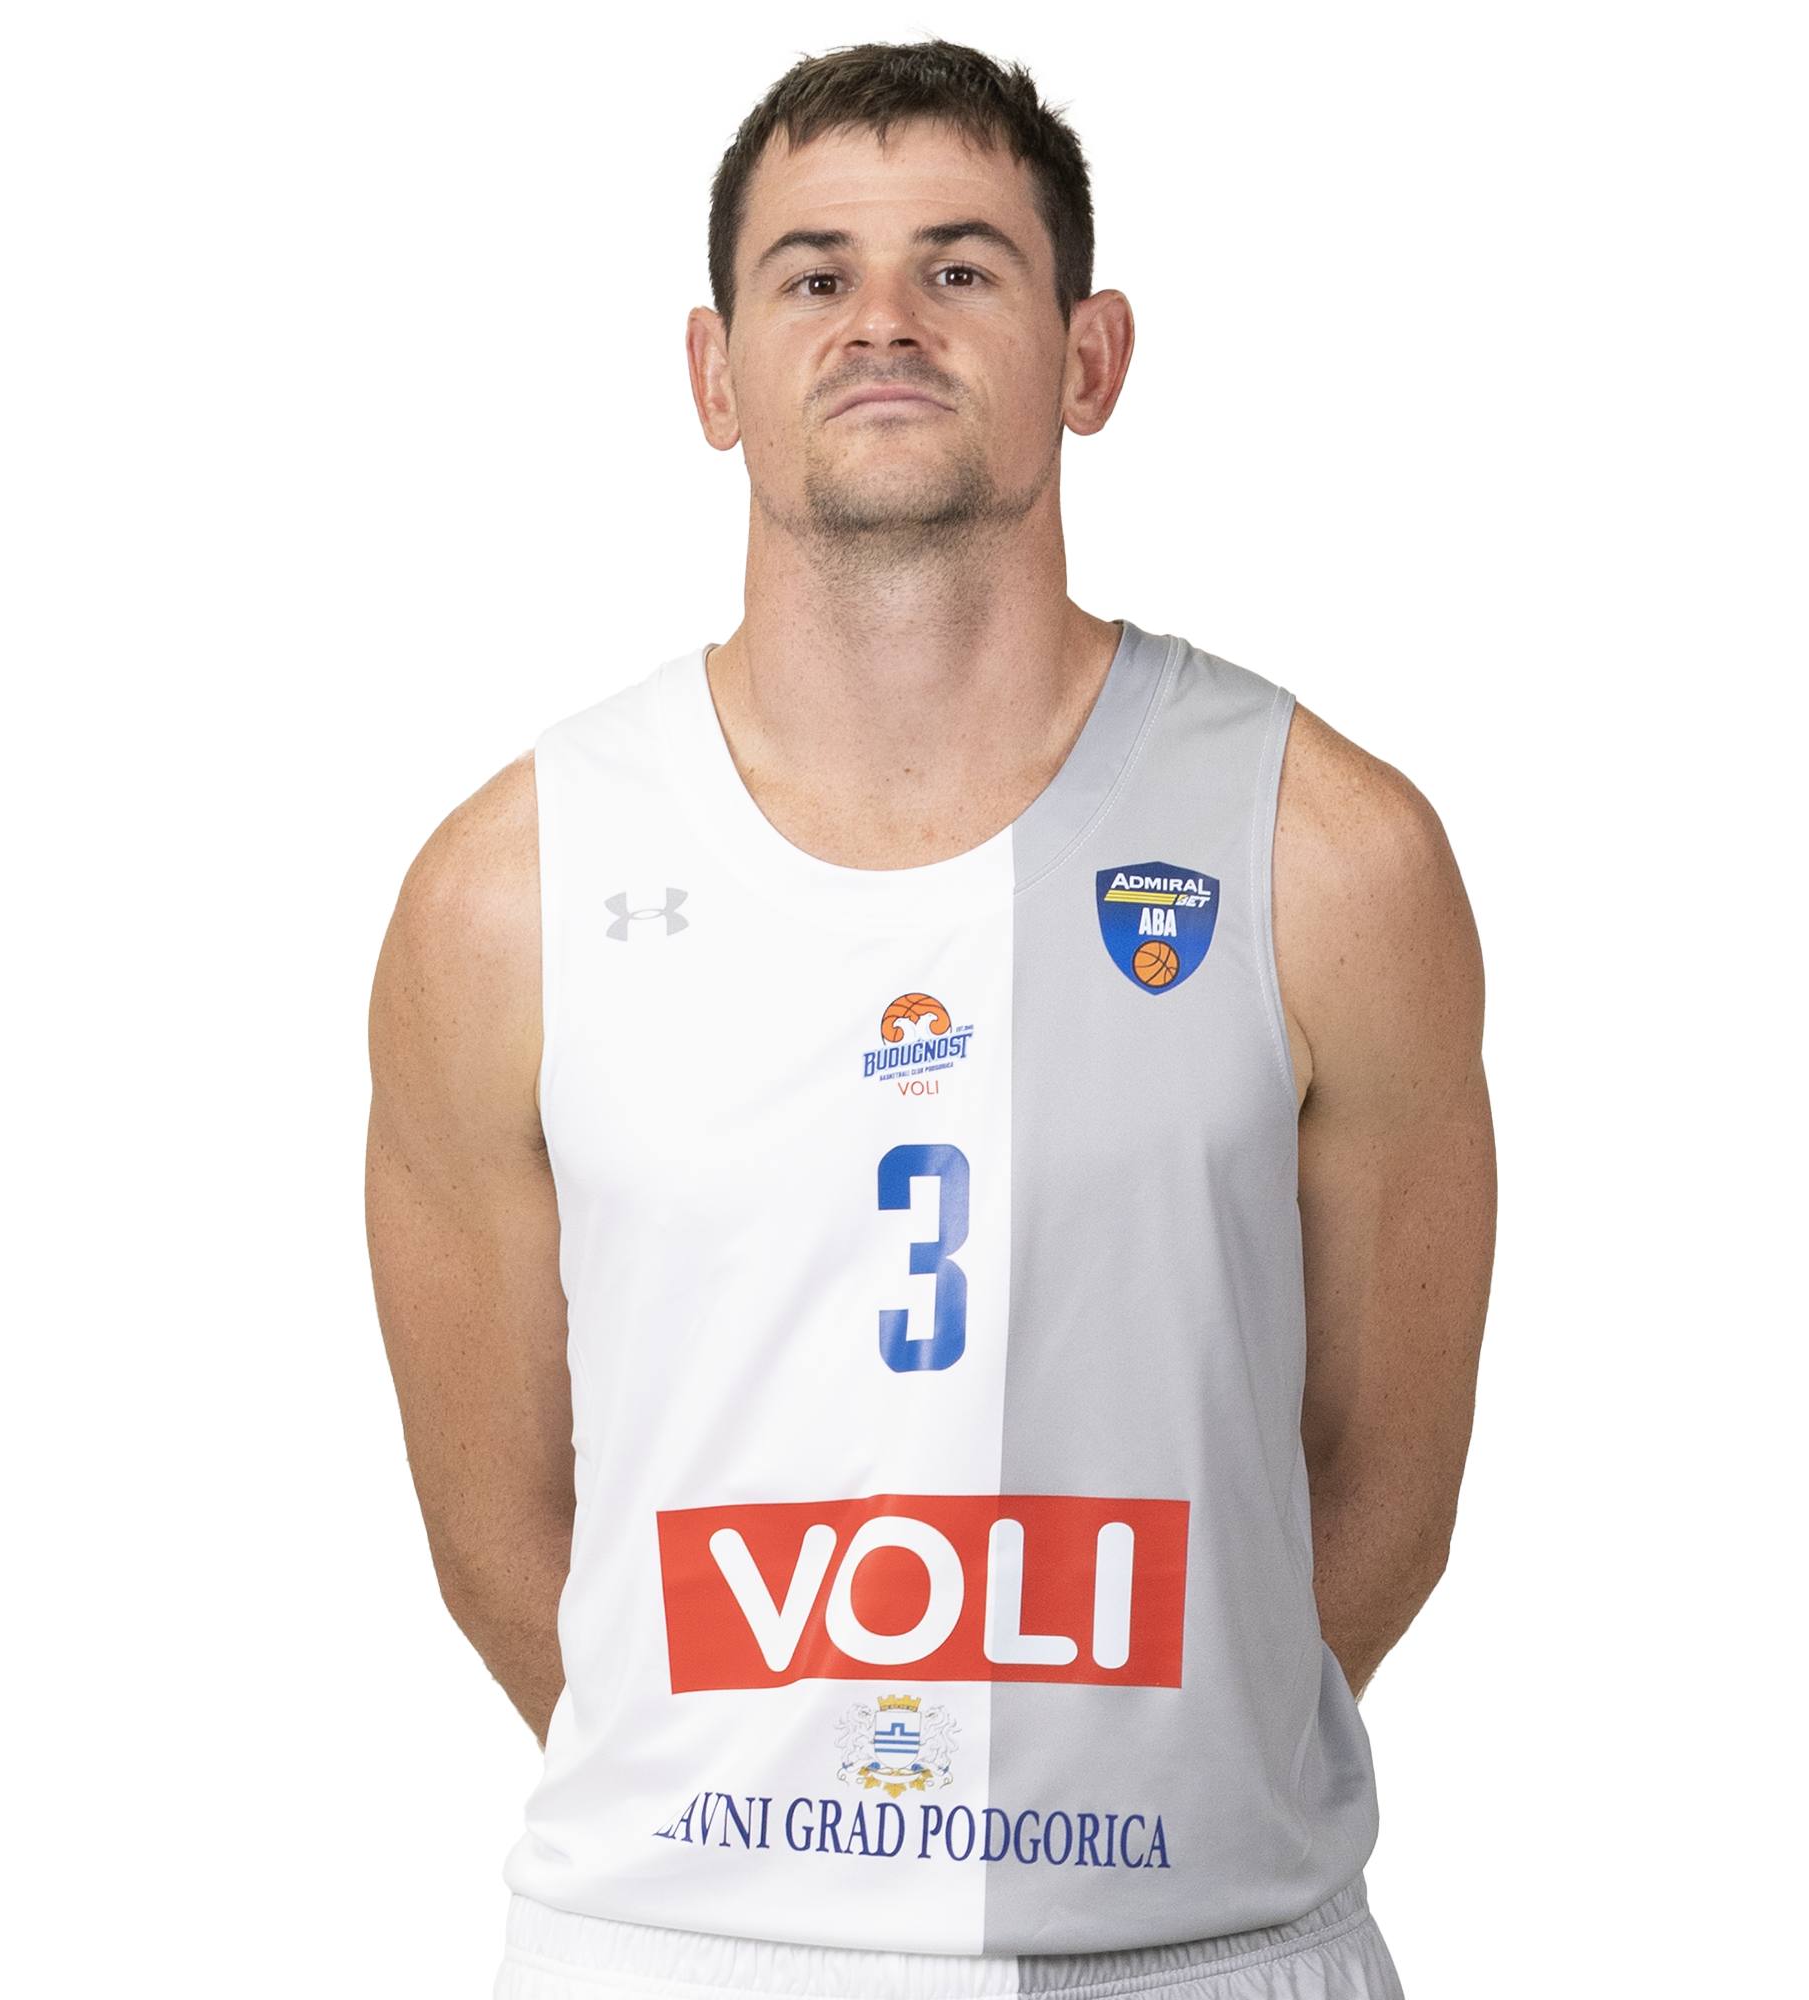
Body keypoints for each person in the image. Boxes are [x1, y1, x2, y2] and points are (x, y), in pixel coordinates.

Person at [367, 32, 1493, 2000]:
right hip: (687, 1948)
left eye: (960, 265)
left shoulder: (1325, 856)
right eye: (814, 272)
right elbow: (501, 1522)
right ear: (714, 375)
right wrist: (784, 1846)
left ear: (1091, 356)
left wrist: (1136, 1798)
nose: (882, 318)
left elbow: (1381, 1473)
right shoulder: (506, 892)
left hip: (1193, 1945)